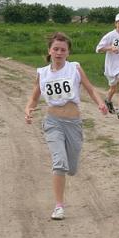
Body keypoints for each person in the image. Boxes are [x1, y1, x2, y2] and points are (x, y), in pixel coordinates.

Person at [24, 32, 108, 220]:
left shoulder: (75, 68)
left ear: (68, 52)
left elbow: (90, 88)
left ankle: (67, 172)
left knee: (72, 168)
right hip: (52, 122)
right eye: (55, 49)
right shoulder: (42, 73)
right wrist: (28, 109)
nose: (59, 53)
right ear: (49, 51)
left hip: (73, 123)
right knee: (59, 163)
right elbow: (34, 97)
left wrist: (100, 103)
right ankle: (59, 206)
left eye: (63, 50)